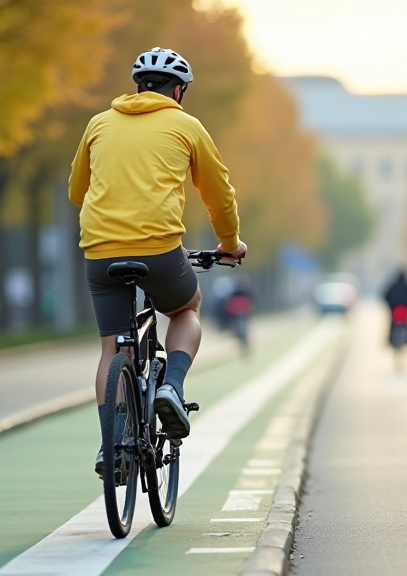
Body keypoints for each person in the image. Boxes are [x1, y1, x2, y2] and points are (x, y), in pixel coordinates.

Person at [68, 47, 248, 478]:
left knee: (112, 347)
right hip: (160, 249)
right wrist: (230, 243)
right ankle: (171, 386)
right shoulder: (187, 127)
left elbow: (78, 191)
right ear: (179, 91)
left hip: (99, 251)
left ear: (136, 88)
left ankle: (110, 446)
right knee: (186, 309)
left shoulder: (98, 124)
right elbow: (218, 194)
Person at [383, 269, 407, 348]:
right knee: (406, 325)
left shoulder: (393, 285)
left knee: (392, 325)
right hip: (404, 310)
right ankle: (406, 341)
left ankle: (390, 340)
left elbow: (385, 296)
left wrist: (391, 305)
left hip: (394, 310)